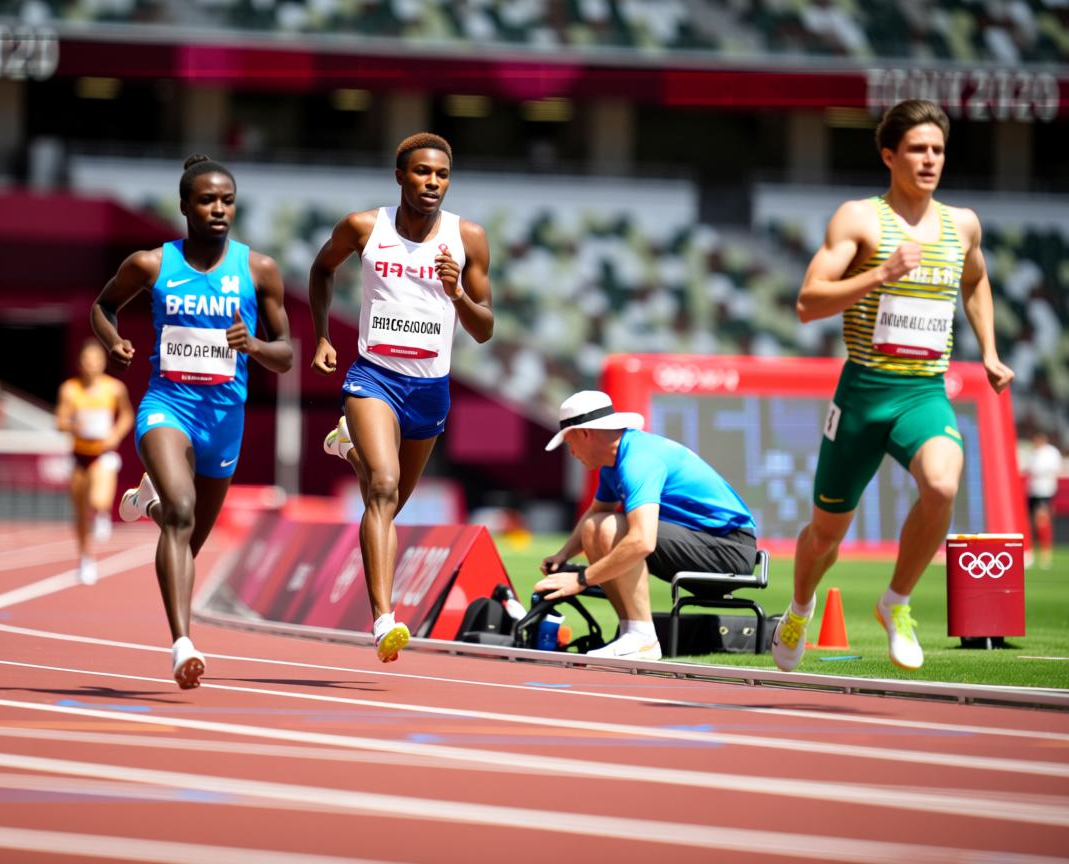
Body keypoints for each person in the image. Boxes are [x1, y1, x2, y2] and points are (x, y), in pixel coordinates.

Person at [772, 100, 1015, 673]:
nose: (930, 160)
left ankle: (896, 602)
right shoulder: (859, 219)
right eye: (917, 150)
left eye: (937, 150)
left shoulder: (963, 225)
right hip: (862, 394)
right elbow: (808, 303)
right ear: (890, 155)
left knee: (943, 485)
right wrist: (881, 273)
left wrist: (991, 352)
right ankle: (801, 606)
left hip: (923, 391)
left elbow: (975, 283)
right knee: (825, 537)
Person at [90, 154, 293, 688]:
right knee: (181, 515)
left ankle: (148, 502)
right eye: (207, 200)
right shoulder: (152, 265)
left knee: (188, 538)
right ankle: (182, 645)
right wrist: (113, 340)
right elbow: (102, 306)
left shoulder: (259, 270)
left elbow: (287, 353)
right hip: (167, 407)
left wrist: (254, 345)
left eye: (227, 200)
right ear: (184, 206)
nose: (218, 209)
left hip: (225, 418)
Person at [309, 132, 494, 663]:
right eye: (421, 172)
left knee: (387, 506)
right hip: (373, 377)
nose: (432, 182)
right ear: (400, 176)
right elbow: (323, 269)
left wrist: (457, 292)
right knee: (383, 488)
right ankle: (384, 619)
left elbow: (484, 330)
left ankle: (347, 447)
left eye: (441, 174)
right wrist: (323, 334)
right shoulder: (365, 227)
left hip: (429, 389)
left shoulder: (469, 239)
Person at [533, 390, 757, 661]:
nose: (571, 452)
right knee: (596, 525)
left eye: (569, 442)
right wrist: (563, 555)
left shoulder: (638, 461)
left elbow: (643, 541)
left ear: (585, 434)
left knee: (612, 528)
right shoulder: (614, 463)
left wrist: (581, 580)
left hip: (730, 550)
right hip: (705, 544)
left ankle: (643, 638)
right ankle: (632, 634)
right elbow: (594, 515)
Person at [55, 339, 134, 585]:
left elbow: (127, 416)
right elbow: (60, 421)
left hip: (103, 454)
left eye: (96, 360)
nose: (91, 365)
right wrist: (73, 425)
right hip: (79, 455)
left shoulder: (115, 389)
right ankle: (85, 559)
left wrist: (115, 434)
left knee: (97, 498)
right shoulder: (70, 389)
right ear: (80, 363)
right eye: (87, 360)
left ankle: (102, 514)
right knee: (79, 515)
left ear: (103, 363)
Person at [1027, 431, 1061, 570]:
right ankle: (1032, 552)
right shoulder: (1033, 453)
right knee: (1033, 523)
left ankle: (1045, 554)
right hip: (1033, 491)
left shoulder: (1051, 453)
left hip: (1045, 491)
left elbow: (1054, 469)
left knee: (1042, 521)